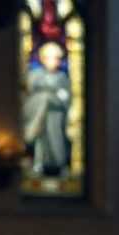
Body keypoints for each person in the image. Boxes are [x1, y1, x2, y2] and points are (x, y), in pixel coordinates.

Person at [23, 41, 72, 176]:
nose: (53, 61)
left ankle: (59, 164)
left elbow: (64, 97)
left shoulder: (61, 77)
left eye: (57, 58)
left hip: (55, 116)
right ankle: (38, 163)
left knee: (56, 140)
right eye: (50, 57)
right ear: (42, 58)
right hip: (39, 114)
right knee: (41, 142)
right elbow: (30, 92)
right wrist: (47, 96)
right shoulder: (35, 75)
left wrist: (52, 97)